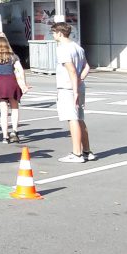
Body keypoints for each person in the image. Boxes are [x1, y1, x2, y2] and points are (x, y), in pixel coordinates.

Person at [51, 22, 94, 163]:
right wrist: (80, 81)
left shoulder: (63, 49)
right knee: (80, 118)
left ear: (60, 33)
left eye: (54, 32)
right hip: (78, 86)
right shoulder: (77, 47)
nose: (53, 35)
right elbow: (87, 66)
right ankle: (87, 151)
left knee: (72, 118)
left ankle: (77, 154)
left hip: (68, 88)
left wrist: (74, 89)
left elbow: (71, 70)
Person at [0, 36, 30, 143]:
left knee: (3, 111)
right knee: (15, 108)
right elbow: (21, 70)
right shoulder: (13, 57)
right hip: (11, 81)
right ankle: (14, 132)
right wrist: (24, 84)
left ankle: (5, 136)